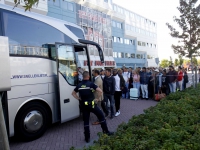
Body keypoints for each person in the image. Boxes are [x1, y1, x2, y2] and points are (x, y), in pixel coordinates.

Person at [71, 71, 113, 143]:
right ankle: (106, 131)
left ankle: (87, 138)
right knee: (101, 116)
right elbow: (100, 91)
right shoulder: (91, 84)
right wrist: (97, 98)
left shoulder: (79, 85)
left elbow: (73, 93)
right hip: (92, 105)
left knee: (86, 122)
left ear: (83, 77)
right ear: (88, 76)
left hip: (84, 106)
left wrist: (79, 98)